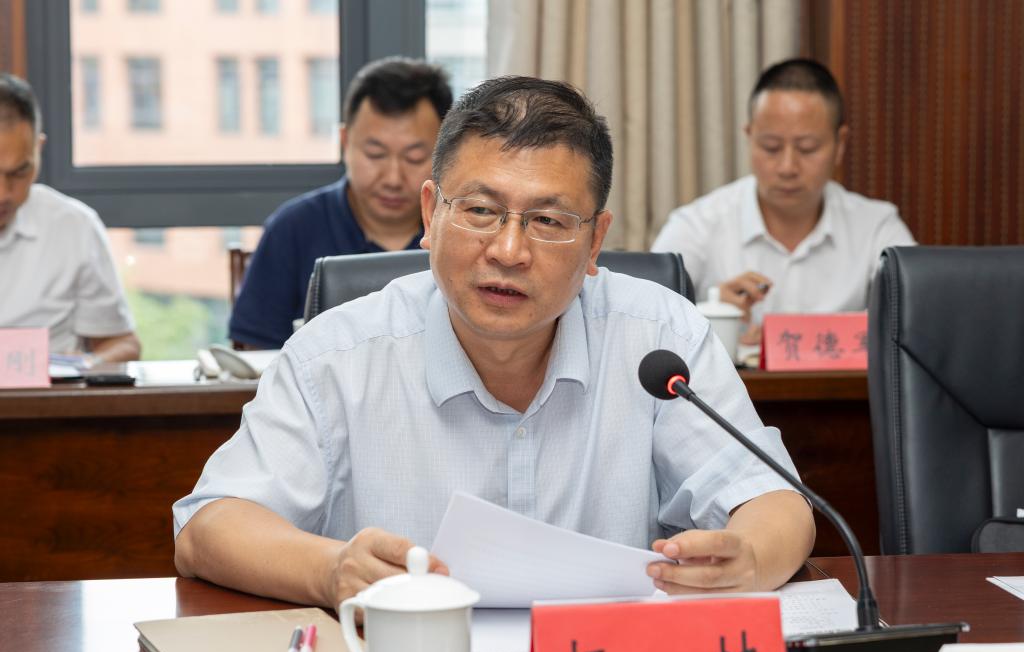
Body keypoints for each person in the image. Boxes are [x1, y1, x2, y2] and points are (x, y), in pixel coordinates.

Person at [174, 76, 814, 609]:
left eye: (548, 220)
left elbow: (778, 504)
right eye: (480, 211)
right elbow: (209, 529)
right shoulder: (335, 357)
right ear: (431, 214)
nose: (509, 251)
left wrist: (750, 558)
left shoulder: (660, 338)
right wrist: (331, 568)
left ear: (595, 241)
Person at [652, 58, 915, 343]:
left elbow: (916, 317)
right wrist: (707, 317)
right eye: (771, 147)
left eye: (807, 148)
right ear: (750, 137)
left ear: (840, 144)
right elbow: (646, 320)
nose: (787, 167)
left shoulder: (877, 227)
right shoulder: (696, 225)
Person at [229, 57, 453, 349]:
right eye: (375, 154)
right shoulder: (293, 228)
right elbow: (256, 352)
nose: (393, 178)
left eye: (414, 157)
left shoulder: (462, 230)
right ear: (345, 142)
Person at [0, 73, 140, 362]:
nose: (3, 194)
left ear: (38, 150)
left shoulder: (73, 226)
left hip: (51, 389)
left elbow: (122, 343)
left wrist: (80, 367)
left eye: (19, 172)